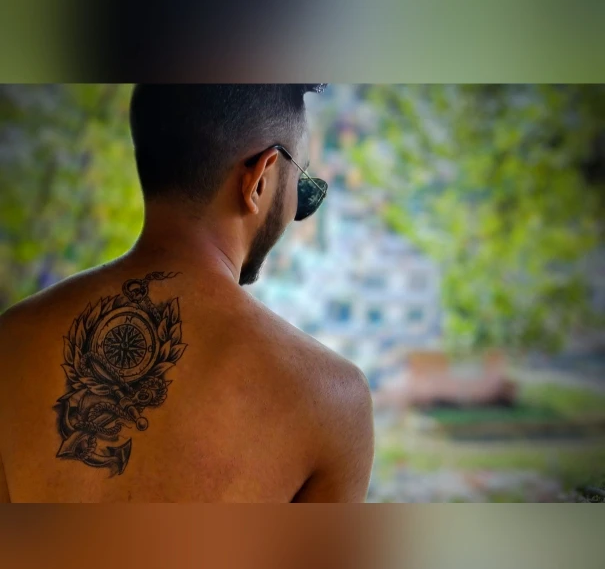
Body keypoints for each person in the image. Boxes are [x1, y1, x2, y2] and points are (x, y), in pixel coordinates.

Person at [0, 84, 374, 503]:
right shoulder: (331, 400)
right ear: (259, 178)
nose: (295, 211)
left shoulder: (12, 341)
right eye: (302, 186)